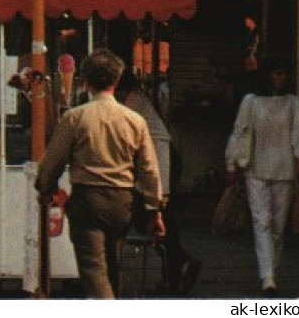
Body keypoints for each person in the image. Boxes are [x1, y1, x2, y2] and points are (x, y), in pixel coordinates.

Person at [35, 48, 164, 300]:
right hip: (123, 202)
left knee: (94, 269)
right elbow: (149, 168)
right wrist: (154, 209)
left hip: (88, 200)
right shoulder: (135, 120)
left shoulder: (76, 117)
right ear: (117, 80)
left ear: (86, 82)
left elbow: (53, 162)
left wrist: (45, 187)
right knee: (113, 266)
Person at [225, 61, 299, 296]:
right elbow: (239, 131)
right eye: (277, 72)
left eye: (283, 73)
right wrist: (231, 162)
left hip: (284, 171)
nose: (281, 78)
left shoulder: (293, 103)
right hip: (256, 169)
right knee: (261, 221)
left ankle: (271, 270)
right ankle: (268, 277)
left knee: (278, 225)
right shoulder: (250, 102)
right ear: (267, 75)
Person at [116, 68, 200, 295]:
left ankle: (179, 263)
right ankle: (173, 273)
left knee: (152, 219)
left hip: (161, 164)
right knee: (163, 221)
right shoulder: (136, 101)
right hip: (159, 164)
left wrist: (161, 192)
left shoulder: (132, 103)